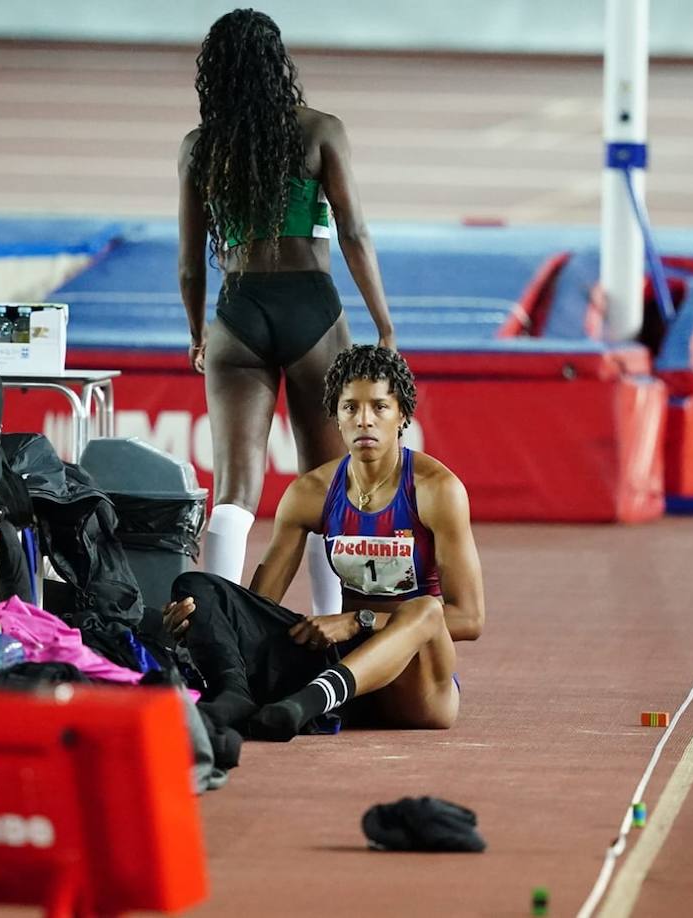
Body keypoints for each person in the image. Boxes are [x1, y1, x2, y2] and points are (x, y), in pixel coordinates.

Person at [177, 8, 397, 613]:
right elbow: (353, 231)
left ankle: (216, 631)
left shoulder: (201, 148)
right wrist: (383, 322)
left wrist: (199, 332)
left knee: (234, 493)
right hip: (313, 311)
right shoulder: (321, 131)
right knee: (328, 485)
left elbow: (192, 263)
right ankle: (329, 631)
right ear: (280, 65)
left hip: (237, 312)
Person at [165, 345, 485, 739]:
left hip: (416, 685)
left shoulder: (437, 489)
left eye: (379, 407)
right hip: (339, 664)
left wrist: (359, 622)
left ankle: (305, 705)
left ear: (402, 414)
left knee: (425, 610)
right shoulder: (312, 491)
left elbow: (470, 618)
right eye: (350, 407)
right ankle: (234, 695)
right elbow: (258, 604)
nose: (364, 420)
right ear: (335, 415)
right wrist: (206, 622)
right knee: (201, 588)